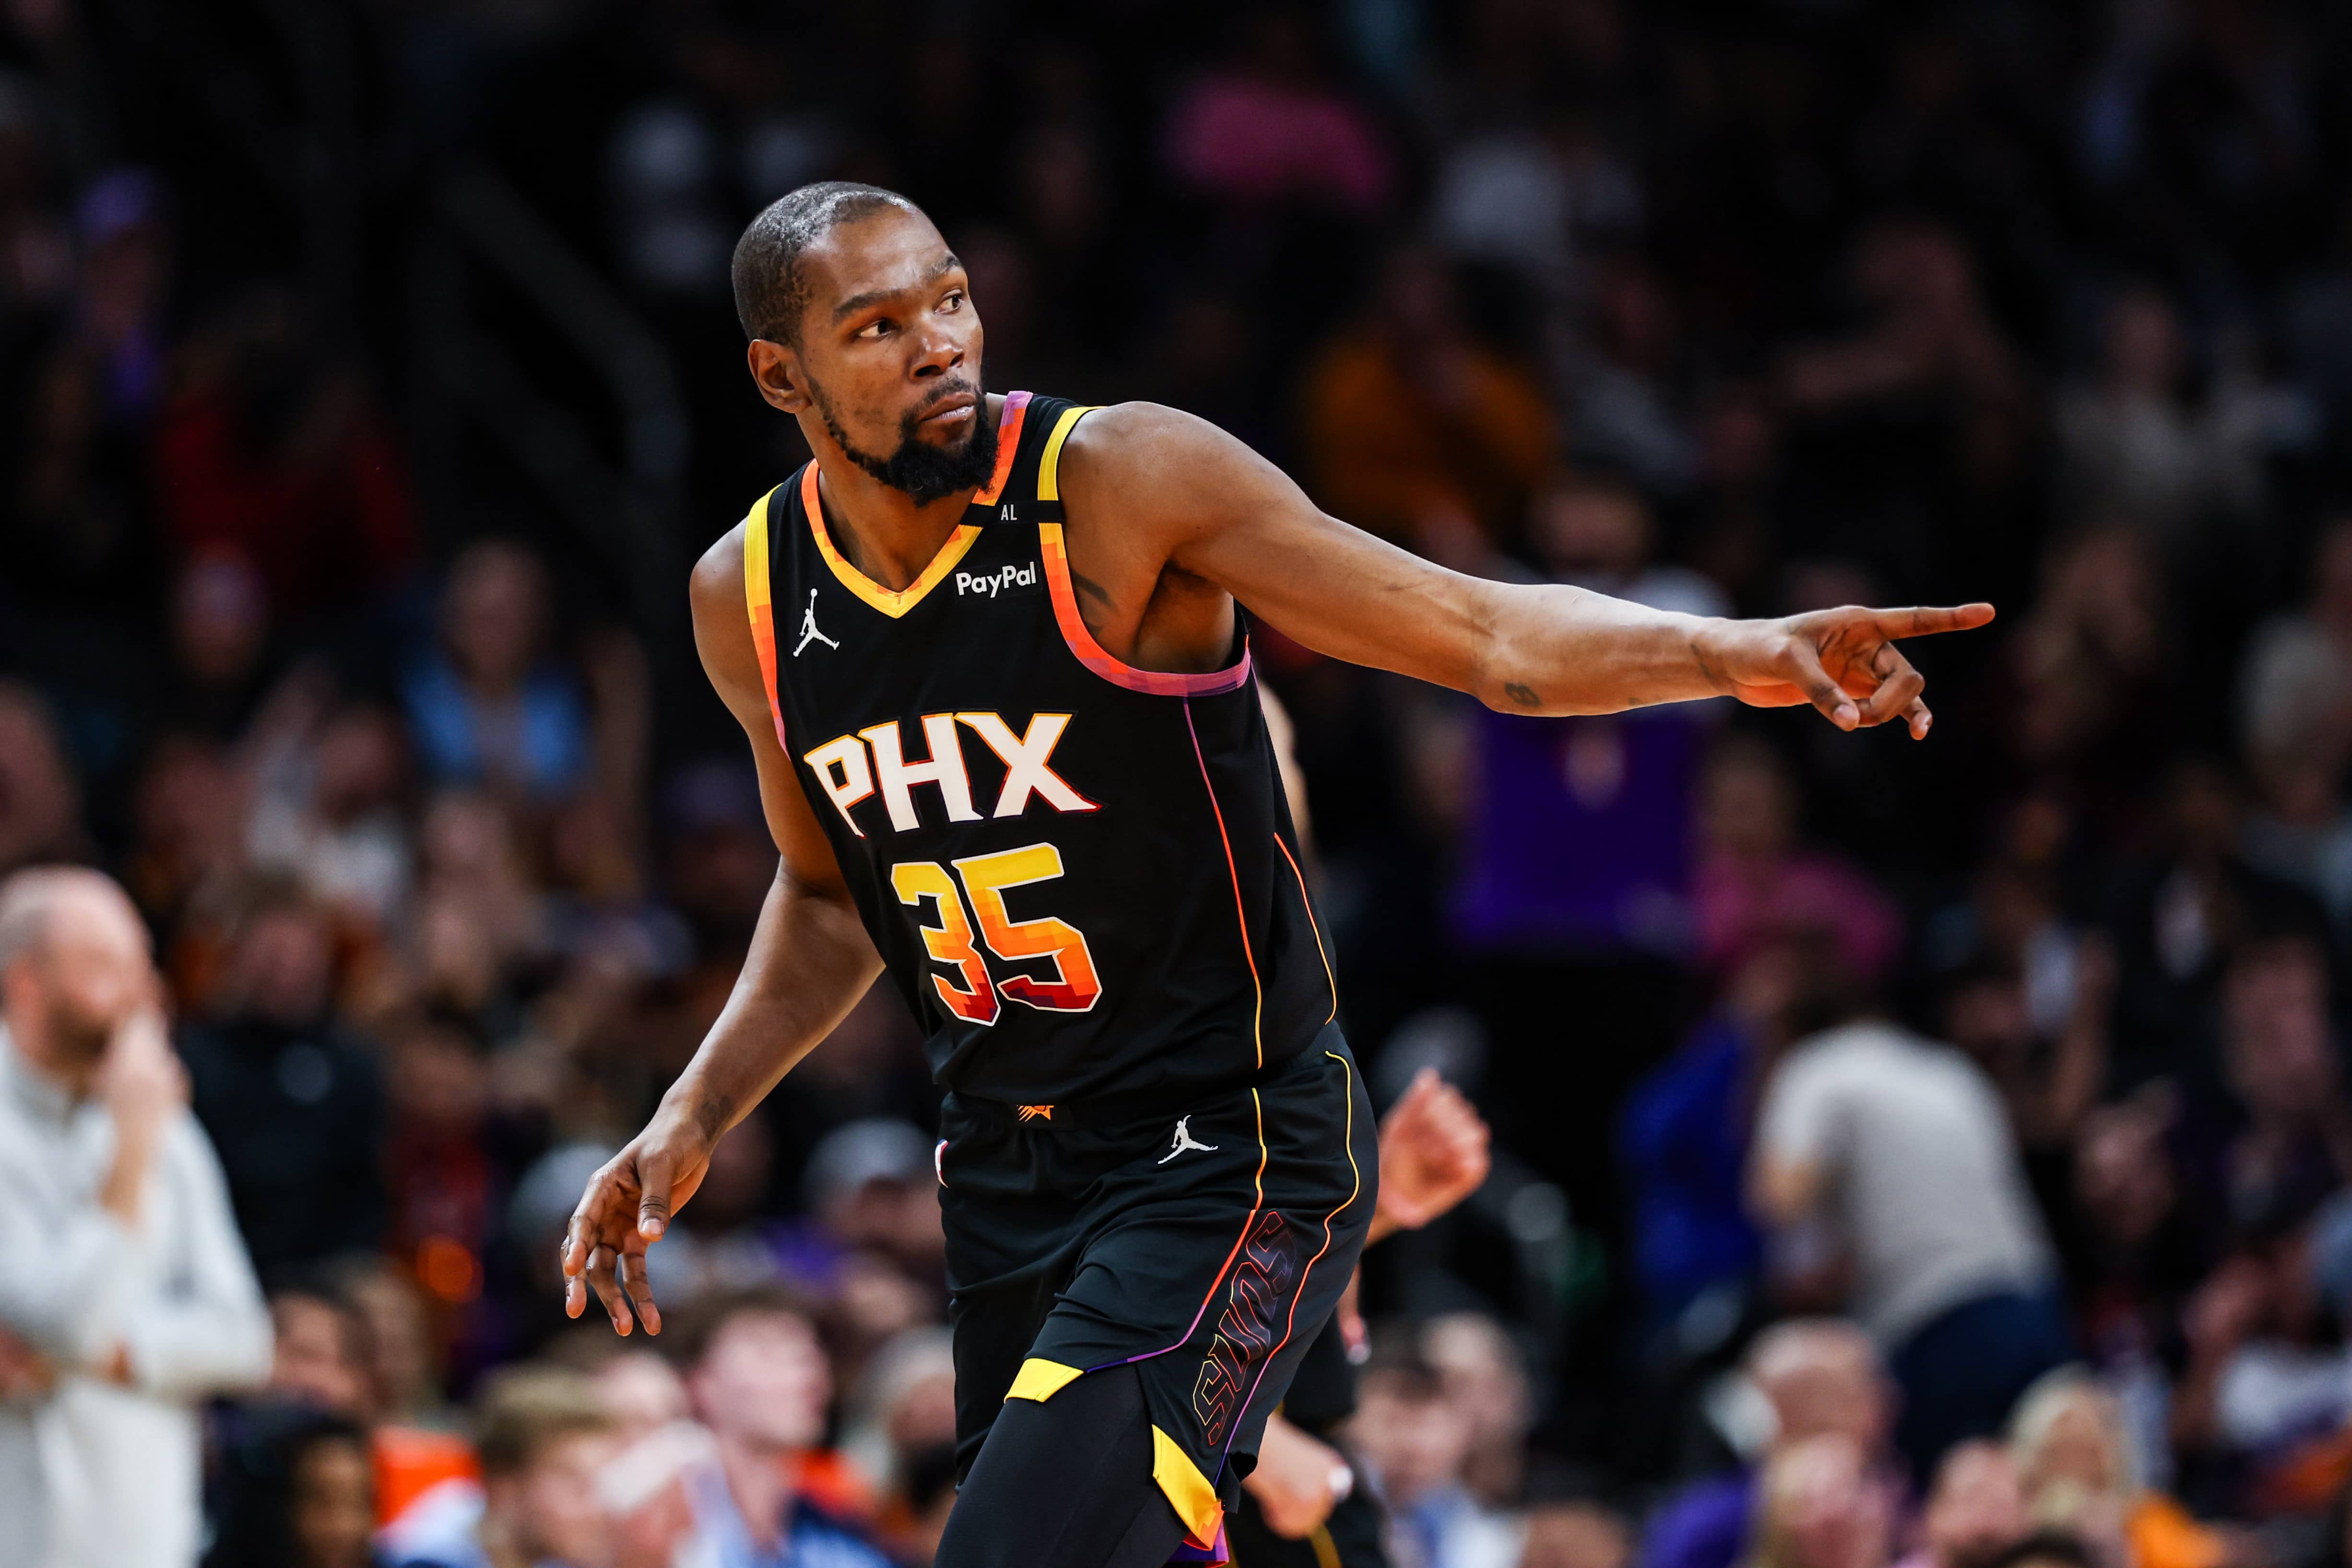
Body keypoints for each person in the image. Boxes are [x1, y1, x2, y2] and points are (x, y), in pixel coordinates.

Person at [561, 180, 1994, 1568]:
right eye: (876, 327)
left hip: (1229, 1147)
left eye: (949, 300)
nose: (938, 341)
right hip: (1005, 1168)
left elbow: (1478, 633)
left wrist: (1729, 653)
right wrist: (694, 1110)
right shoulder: (740, 596)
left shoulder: (1117, 483)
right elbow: (826, 894)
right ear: (777, 373)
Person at [0, 866, 273, 1568]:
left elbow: (245, 1336)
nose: (141, 993)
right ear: (24, 984)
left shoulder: (166, 1128)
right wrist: (127, 1161)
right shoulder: (140, 1127)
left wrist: (119, 1355)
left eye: (140, 963)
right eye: (104, 966)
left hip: (148, 1541)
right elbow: (66, 1319)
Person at [1750, 1006, 2069, 1483]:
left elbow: (1780, 1195)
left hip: (1937, 1321)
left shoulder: (1813, 1069)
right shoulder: (1949, 1068)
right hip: (2034, 1301)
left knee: (1952, 1510)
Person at [667, 1288, 895, 1568]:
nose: (807, 1375)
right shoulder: (655, 1521)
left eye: (808, 1356)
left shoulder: (842, 1537)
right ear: (701, 1382)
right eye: (771, 1353)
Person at [379, 1367, 619, 1568]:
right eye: (574, 1481)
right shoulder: (428, 1561)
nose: (597, 1506)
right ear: (503, 1486)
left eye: (599, 1480)